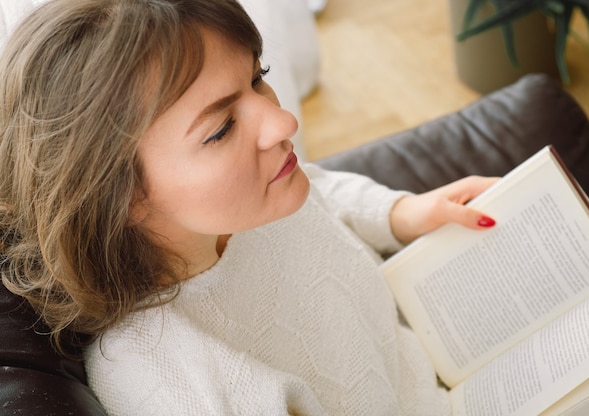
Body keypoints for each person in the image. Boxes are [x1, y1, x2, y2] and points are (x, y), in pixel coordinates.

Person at [0, 0, 497, 414]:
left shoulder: (255, 200)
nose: (282, 122)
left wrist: (400, 213)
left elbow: (320, 189)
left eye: (258, 78)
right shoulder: (173, 382)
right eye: (220, 129)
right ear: (119, 195)